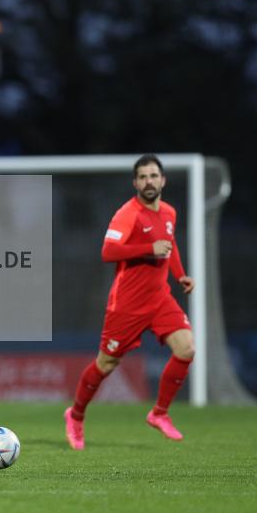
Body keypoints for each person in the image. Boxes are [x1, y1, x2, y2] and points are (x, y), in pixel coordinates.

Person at [64, 154, 196, 450]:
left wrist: (181, 275)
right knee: (106, 364)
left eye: (154, 176)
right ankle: (75, 415)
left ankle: (159, 413)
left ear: (163, 180)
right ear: (135, 182)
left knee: (186, 348)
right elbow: (108, 251)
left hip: (160, 299)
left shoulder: (170, 213)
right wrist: (148, 248)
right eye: (143, 177)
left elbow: (169, 246)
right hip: (127, 304)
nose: (149, 181)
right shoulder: (128, 213)